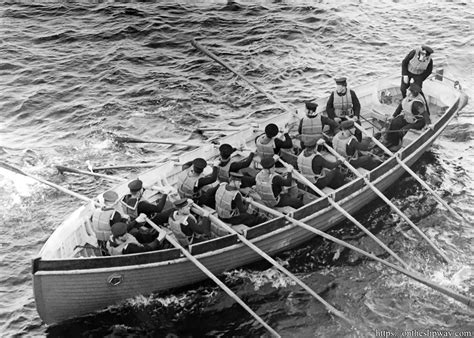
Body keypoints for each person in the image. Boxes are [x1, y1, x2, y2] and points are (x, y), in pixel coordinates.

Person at [93, 190, 159, 244]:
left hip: (101, 242)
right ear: (115, 203)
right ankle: (151, 241)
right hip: (114, 240)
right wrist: (137, 220)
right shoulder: (114, 215)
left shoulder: (97, 211)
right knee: (137, 232)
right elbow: (122, 231)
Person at [384, 82, 431, 148]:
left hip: (418, 121)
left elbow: (425, 114)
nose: (413, 92)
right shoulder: (409, 96)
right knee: (394, 123)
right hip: (407, 117)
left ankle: (402, 146)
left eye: (415, 91)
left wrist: (429, 124)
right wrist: (393, 116)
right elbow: (400, 106)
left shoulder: (417, 103)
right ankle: (393, 142)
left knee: (403, 130)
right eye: (412, 90)